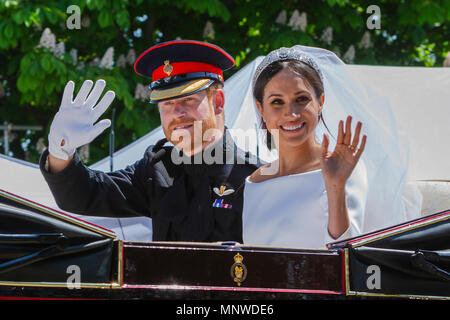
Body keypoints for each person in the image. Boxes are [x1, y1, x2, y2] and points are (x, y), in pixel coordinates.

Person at [40, 40, 259, 243]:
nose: (177, 113)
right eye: (167, 104)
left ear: (218, 101)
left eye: (188, 99)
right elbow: (83, 196)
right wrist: (61, 150)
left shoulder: (254, 178)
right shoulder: (157, 170)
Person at [242, 45, 422, 248]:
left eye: (302, 99)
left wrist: (336, 187)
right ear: (261, 109)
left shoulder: (343, 168)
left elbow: (347, 254)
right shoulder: (253, 182)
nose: (291, 113)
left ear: (321, 102)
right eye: (276, 102)